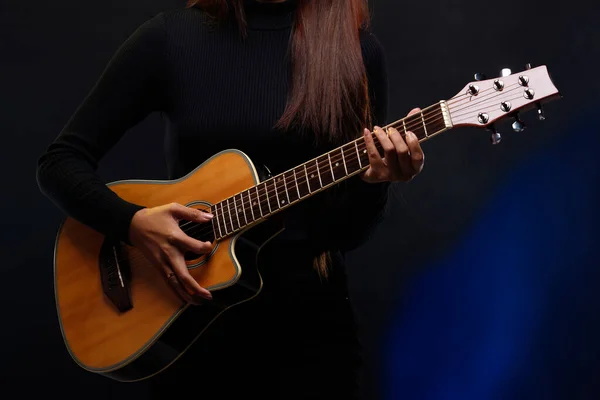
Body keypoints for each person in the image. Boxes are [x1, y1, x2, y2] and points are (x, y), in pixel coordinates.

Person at [36, 0, 425, 398]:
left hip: (309, 335)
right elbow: (59, 163)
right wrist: (131, 224)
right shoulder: (171, 38)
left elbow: (346, 234)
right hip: (186, 329)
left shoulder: (356, 52)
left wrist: (375, 182)